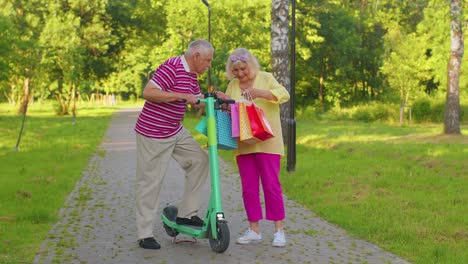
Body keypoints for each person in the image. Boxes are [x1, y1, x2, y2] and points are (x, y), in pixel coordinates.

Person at [134, 39, 213, 250]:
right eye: (207, 60)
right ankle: (144, 234)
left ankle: (186, 215)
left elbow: (194, 98)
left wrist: (214, 98)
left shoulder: (192, 74)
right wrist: (180, 95)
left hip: (174, 130)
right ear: (195, 55)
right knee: (150, 181)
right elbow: (149, 92)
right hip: (153, 133)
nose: (209, 64)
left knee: (200, 160)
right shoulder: (172, 67)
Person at [222, 48, 290, 247]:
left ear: (250, 65)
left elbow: (283, 94)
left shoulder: (266, 77)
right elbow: (229, 109)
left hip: (268, 142)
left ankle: (279, 231)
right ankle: (254, 230)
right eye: (235, 70)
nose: (240, 73)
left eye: (243, 68)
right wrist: (224, 101)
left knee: (271, 186)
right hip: (244, 143)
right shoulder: (232, 85)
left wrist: (260, 93)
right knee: (249, 189)